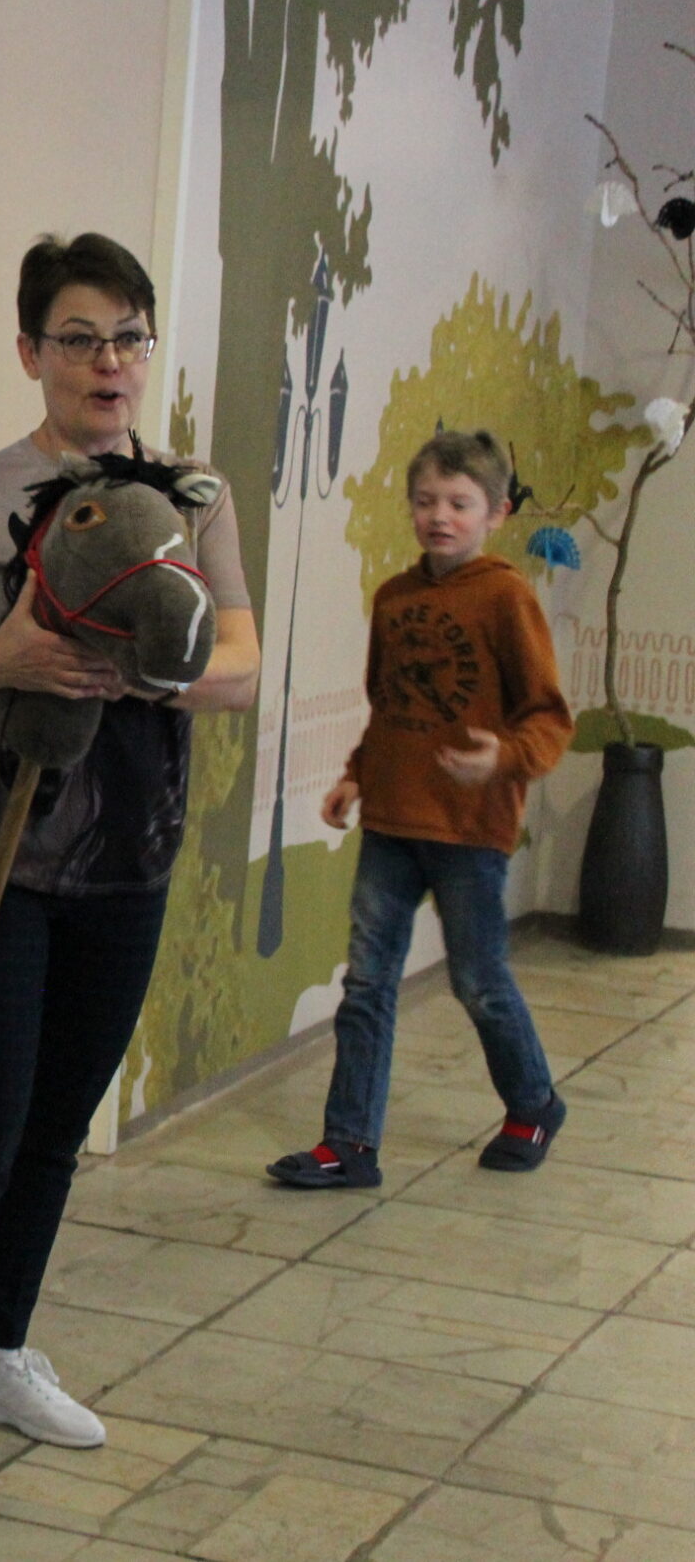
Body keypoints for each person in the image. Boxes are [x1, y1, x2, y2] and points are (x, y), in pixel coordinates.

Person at [0, 233, 260, 1502]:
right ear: (30, 351)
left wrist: (155, 670)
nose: (108, 362)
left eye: (127, 337)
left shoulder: (195, 498)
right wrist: (7, 660)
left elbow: (241, 667)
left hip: (129, 860)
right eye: (79, 338)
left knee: (54, 1126)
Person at [268, 430, 574, 1191]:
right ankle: (350, 1144)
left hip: (471, 830)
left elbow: (548, 716)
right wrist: (356, 775)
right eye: (427, 501)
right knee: (367, 983)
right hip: (391, 824)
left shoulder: (506, 598)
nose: (441, 516)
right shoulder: (395, 598)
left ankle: (534, 1103)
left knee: (478, 979)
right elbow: (390, 704)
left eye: (460, 503)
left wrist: (503, 756)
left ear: (496, 512)